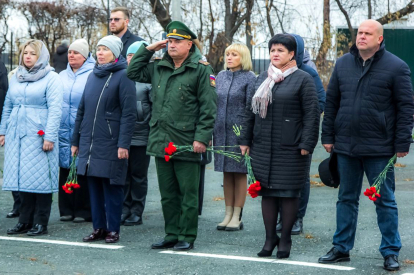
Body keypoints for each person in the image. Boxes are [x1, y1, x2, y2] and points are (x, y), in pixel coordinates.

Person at [318, 20, 414, 272]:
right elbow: (332, 103)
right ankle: (341, 248)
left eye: (367, 33)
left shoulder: (396, 66)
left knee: (385, 200)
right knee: (346, 199)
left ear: (379, 39)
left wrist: (402, 141)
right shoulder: (342, 64)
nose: (361, 37)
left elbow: (406, 107)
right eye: (359, 33)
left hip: (380, 148)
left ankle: (390, 251)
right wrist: (327, 136)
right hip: (345, 146)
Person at [127, 21, 217, 251]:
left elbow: (208, 108)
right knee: (167, 192)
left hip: (187, 140)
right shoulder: (159, 66)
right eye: (169, 41)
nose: (172, 45)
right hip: (161, 138)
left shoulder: (201, 69)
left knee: (187, 192)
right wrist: (148, 49)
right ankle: (172, 233)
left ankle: (187, 235)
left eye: (177, 41)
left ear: (189, 44)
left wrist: (201, 138)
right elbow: (133, 71)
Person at [238, 34, 320, 259]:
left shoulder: (303, 79)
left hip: (291, 148)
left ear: (292, 54)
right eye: (272, 50)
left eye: (280, 50)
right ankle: (269, 238)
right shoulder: (262, 78)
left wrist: (307, 144)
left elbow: (312, 115)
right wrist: (245, 140)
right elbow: (250, 111)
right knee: (268, 194)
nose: (275, 54)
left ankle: (285, 240)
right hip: (263, 146)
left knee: (288, 194)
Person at [72, 35, 136, 244]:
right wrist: (76, 141)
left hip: (111, 142)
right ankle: (98, 227)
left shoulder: (124, 76)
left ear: (115, 53)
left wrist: (123, 144)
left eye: (105, 49)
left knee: (112, 186)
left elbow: (129, 113)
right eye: (98, 49)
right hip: (90, 143)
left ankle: (113, 229)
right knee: (94, 187)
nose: (100, 53)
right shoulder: (92, 75)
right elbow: (82, 110)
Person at [0, 39, 63, 236]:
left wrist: (50, 137)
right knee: (22, 179)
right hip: (17, 134)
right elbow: (8, 105)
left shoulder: (52, 78)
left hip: (39, 135)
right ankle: (24, 221)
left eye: (32, 53)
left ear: (41, 56)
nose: (27, 56)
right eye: (25, 53)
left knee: (41, 181)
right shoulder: (16, 77)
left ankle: (40, 223)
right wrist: (3, 131)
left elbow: (55, 110)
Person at [276, 34, 326, 235]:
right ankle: (281, 216)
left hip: (298, 135)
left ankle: (297, 218)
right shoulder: (273, 73)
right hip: (276, 136)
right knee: (278, 178)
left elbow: (320, 102)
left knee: (299, 178)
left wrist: (296, 120)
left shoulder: (307, 73)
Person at [214, 43, 256, 231]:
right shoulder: (220, 77)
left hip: (239, 132)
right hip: (221, 131)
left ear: (243, 57)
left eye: (234, 55)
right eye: (227, 54)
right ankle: (227, 213)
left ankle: (237, 216)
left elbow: (250, 109)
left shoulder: (249, 78)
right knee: (226, 172)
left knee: (239, 173)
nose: (229, 58)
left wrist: (246, 138)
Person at [58, 39, 95, 223]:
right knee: (64, 166)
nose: (71, 55)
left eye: (76, 53)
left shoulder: (92, 74)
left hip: (82, 127)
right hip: (63, 129)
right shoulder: (61, 76)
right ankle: (65, 208)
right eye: (70, 52)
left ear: (86, 55)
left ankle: (83, 209)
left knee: (82, 169)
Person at [121, 41, 152, 226]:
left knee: (138, 176)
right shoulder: (123, 77)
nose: (131, 59)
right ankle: (124, 208)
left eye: (135, 55)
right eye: (129, 55)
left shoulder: (148, 79)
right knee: (123, 175)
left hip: (141, 135)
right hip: (123, 136)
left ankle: (136, 211)